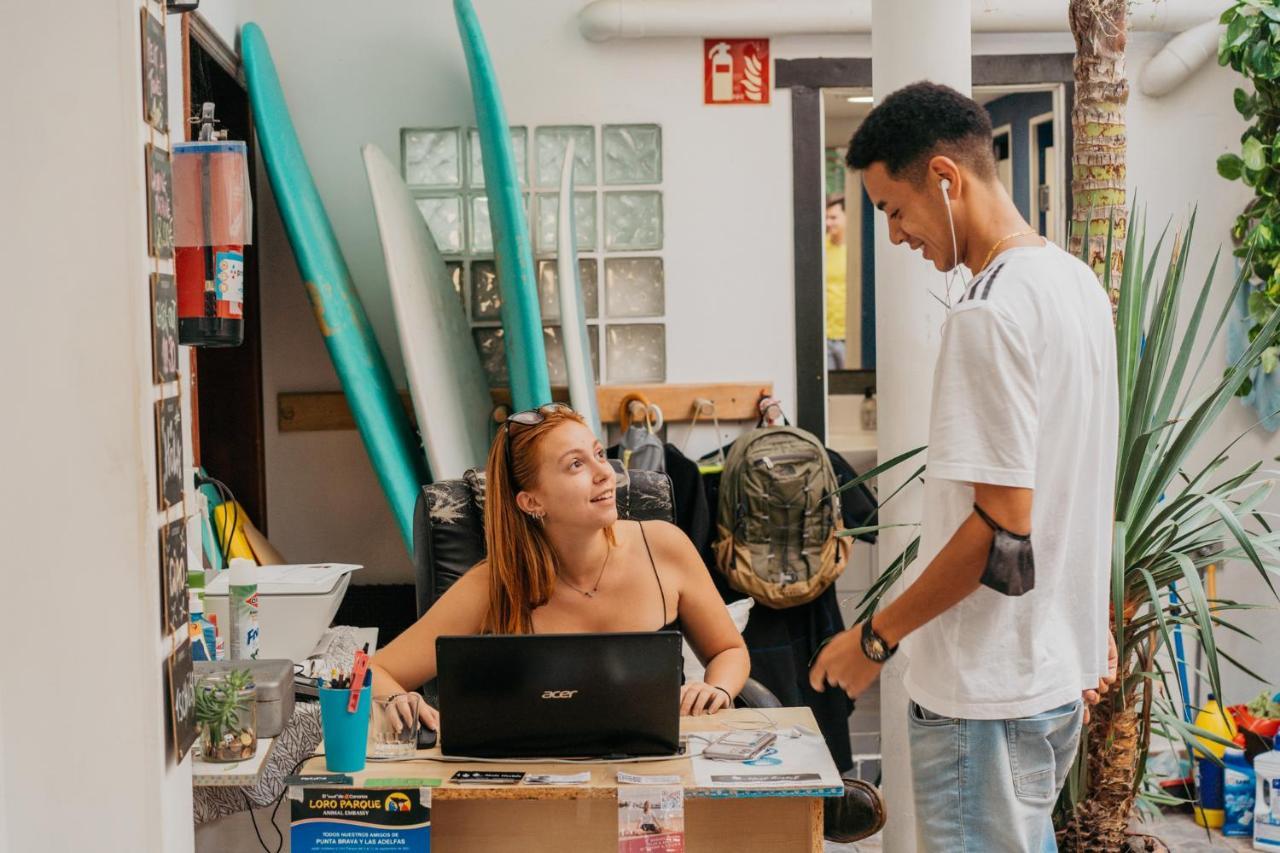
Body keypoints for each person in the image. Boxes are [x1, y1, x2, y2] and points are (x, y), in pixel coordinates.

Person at [809, 82, 1119, 852]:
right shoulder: (1074, 284)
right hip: (1045, 675)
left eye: (892, 208)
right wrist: (1087, 622)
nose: (895, 234)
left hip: (986, 691)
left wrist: (873, 638)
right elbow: (1071, 484)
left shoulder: (990, 312)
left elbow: (1001, 528)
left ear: (946, 178)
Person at [370, 403, 750, 734]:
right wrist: (399, 702)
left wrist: (716, 689)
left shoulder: (665, 546)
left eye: (599, 454)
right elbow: (373, 674)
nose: (605, 473)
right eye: (575, 464)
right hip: (535, 788)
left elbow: (729, 650)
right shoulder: (494, 585)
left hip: (653, 783)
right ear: (531, 501)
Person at [825, 194, 848, 370]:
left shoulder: (855, 251)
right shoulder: (821, 249)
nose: (828, 223)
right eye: (826, 217)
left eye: (833, 217)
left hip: (848, 339)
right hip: (826, 338)